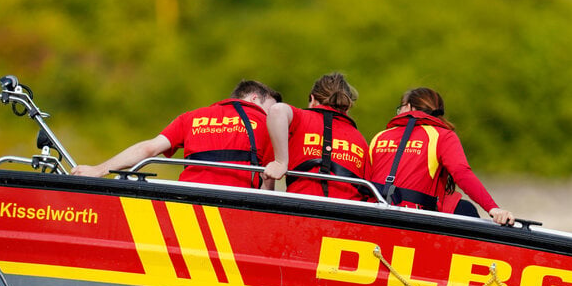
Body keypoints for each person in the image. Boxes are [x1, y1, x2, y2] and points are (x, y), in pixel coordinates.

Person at [72, 80, 281, 188]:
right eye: (270, 107)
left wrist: (98, 170)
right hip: (234, 206)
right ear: (254, 98)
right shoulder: (266, 123)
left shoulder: (192, 117)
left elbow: (148, 148)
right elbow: (268, 180)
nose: (272, 113)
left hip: (186, 202)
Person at [365, 87, 514, 225]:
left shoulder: (380, 137)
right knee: (466, 209)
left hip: (374, 214)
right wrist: (492, 208)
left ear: (410, 107)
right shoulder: (443, 135)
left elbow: (365, 181)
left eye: (400, 107)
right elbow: (462, 173)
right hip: (416, 218)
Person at [262, 72, 369, 201]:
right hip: (345, 215)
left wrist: (280, 162)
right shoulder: (360, 139)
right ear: (346, 108)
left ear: (312, 100)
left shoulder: (301, 119)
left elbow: (277, 110)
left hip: (302, 208)